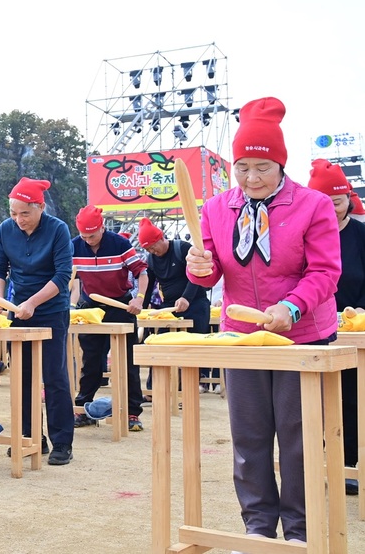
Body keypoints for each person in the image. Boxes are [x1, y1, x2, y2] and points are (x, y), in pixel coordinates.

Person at [186, 97, 341, 546]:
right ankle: (257, 526)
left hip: (302, 335)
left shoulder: (312, 205)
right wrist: (200, 267)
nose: (251, 178)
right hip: (242, 338)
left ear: (280, 165)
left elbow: (325, 272)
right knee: (249, 437)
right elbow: (212, 270)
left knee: (298, 439)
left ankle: (299, 530)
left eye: (262, 168)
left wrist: (289, 308)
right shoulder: (218, 209)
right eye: (242, 168)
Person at [0, 177, 75, 465]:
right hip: (18, 309)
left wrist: (34, 302)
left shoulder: (58, 229)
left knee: (54, 376)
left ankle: (62, 441)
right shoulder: (5, 230)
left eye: (25, 213)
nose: (18, 220)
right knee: (23, 376)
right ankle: (30, 436)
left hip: (51, 310)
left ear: (40, 207)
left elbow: (63, 276)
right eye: (14, 213)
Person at [307, 158, 365, 495]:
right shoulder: (304, 235)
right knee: (316, 401)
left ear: (348, 200)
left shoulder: (360, 235)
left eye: (337, 202)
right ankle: (317, 463)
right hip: (315, 329)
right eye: (323, 203)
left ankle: (350, 467)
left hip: (355, 332)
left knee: (352, 399)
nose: (330, 209)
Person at [71, 204, 147, 431]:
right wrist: (71, 304)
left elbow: (141, 272)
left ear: (102, 228)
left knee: (127, 361)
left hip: (120, 305)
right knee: (91, 361)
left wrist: (139, 298)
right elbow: (68, 277)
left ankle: (133, 411)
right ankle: (84, 409)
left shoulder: (120, 244)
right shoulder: (74, 246)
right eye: (84, 236)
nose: (88, 240)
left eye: (92, 235)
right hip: (91, 307)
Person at [136, 218, 211, 391]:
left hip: (195, 302)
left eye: (153, 246)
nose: (152, 251)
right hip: (169, 307)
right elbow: (149, 286)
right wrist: (143, 306)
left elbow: (196, 275)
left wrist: (186, 297)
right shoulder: (152, 259)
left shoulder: (182, 248)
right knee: (159, 342)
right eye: (148, 249)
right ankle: (154, 387)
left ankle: (197, 382)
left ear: (161, 238)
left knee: (195, 343)